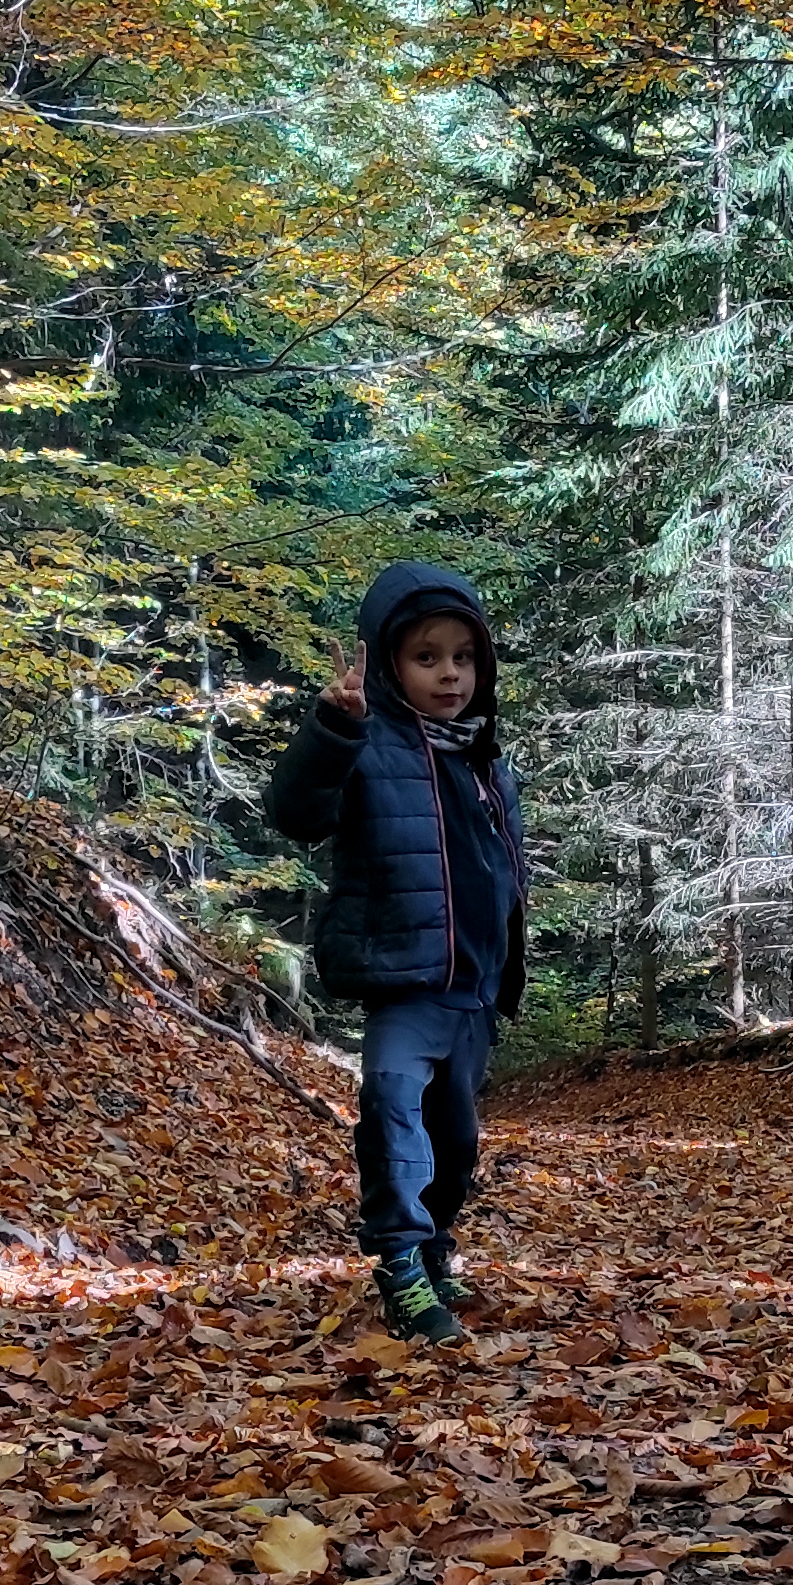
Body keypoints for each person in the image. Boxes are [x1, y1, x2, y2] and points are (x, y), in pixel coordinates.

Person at [263, 561, 526, 1344]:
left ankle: (435, 1244)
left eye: (463, 657)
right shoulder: (364, 743)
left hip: (471, 989)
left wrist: (508, 965)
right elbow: (297, 813)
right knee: (389, 1104)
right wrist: (331, 731)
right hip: (403, 978)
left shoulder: (485, 758)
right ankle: (402, 1267)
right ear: (386, 665)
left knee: (457, 1140)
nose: (449, 674)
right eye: (426, 657)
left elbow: (505, 870)